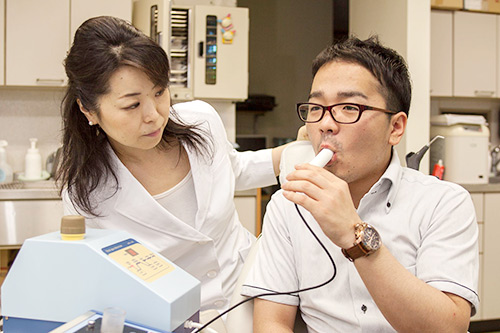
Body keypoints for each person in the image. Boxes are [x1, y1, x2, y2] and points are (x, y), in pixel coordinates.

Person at [241, 36, 479, 332]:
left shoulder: (444, 203)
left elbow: (448, 327)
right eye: (315, 108)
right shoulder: (289, 206)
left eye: (349, 108)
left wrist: (355, 236)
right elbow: (271, 323)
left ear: (395, 127)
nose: (326, 124)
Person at [57, 16, 291, 312]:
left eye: (159, 92)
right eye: (132, 105)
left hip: (254, 290)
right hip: (176, 318)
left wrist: (300, 151)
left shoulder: (201, 120)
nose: (153, 114)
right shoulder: (87, 193)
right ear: (88, 109)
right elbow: (98, 285)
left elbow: (232, 169)